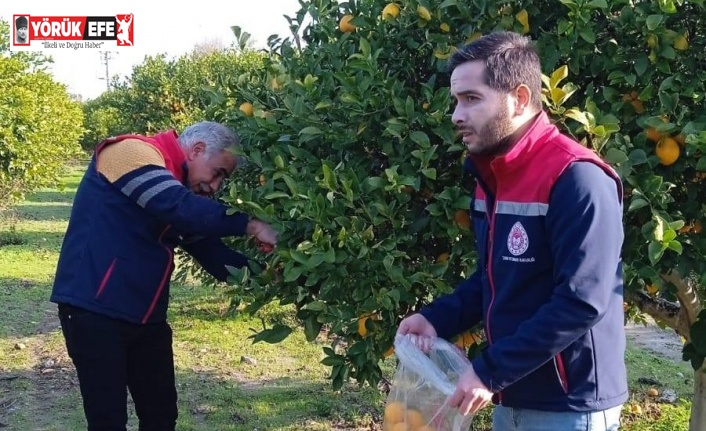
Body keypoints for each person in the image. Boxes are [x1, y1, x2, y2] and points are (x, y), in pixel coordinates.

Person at [397, 31, 627, 430]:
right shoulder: (494, 176)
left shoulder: (577, 178)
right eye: (456, 100)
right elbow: (495, 277)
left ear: (519, 99)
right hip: (512, 390)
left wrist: (490, 370)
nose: (456, 115)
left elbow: (582, 301)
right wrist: (436, 319)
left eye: (471, 99)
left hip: (568, 404)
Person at [51, 121, 278, 431]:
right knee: (108, 420)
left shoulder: (178, 189)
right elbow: (177, 207)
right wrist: (250, 224)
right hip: (95, 310)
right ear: (197, 150)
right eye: (218, 173)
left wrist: (274, 276)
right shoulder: (131, 152)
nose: (215, 187)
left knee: (160, 416)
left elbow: (214, 256)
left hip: (145, 318)